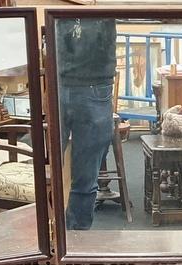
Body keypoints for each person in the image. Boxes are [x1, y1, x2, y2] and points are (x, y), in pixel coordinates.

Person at [56, 17, 117, 230]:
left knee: (82, 173)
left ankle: (72, 240)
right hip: (70, 80)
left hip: (82, 81)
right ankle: (69, 238)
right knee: (78, 174)